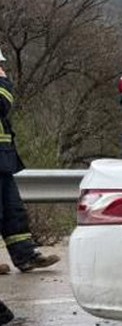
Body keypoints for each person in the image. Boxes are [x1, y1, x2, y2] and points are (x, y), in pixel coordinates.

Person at [0, 59, 58, 273]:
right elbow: (3, 103)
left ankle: (25, 255)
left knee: (13, 212)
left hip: (3, 160)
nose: (2, 69)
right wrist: (3, 82)